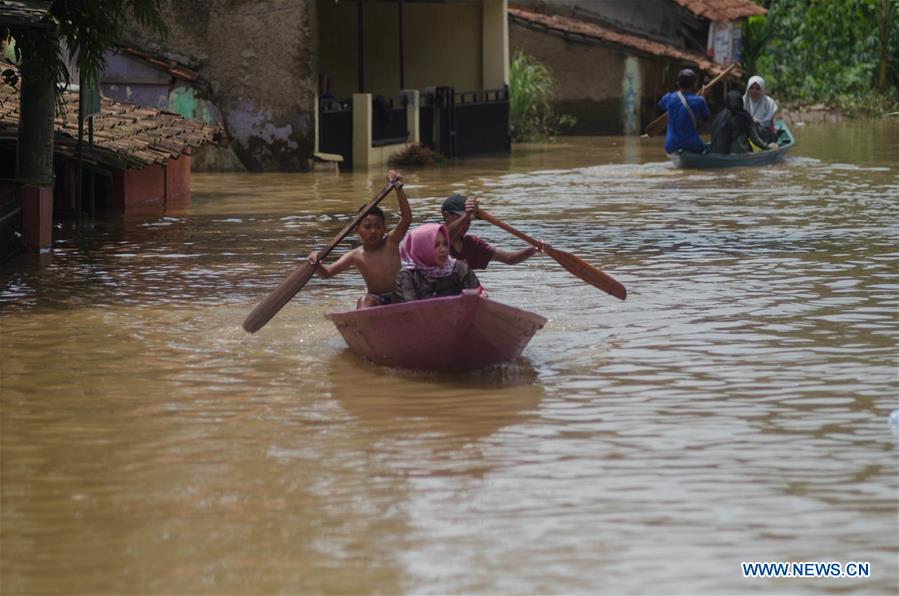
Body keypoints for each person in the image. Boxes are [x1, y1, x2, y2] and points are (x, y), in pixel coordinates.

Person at [308, 170, 411, 308]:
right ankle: (363, 320)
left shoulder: (391, 242)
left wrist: (398, 188)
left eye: (377, 226)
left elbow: (406, 219)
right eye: (367, 227)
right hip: (375, 299)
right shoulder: (355, 255)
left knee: (413, 293)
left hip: (399, 296)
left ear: (384, 229)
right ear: (357, 230)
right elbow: (326, 274)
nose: (373, 231)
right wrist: (315, 262)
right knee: (364, 301)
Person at [440, 194, 544, 269]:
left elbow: (510, 258)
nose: (467, 223)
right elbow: (446, 236)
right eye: (461, 217)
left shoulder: (473, 244)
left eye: (470, 219)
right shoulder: (434, 236)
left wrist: (535, 248)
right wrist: (466, 216)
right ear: (446, 215)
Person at [393, 223, 481, 303]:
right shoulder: (408, 276)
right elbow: (410, 309)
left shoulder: (460, 269)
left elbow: (479, 300)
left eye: (445, 244)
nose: (443, 250)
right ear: (421, 249)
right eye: (436, 245)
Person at [658, 68, 710, 154]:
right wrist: (703, 98)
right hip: (691, 145)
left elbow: (661, 105)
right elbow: (705, 117)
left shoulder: (668, 98)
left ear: (678, 83)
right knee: (707, 150)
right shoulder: (699, 101)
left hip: (670, 145)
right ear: (694, 84)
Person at [710, 90, 778, 154]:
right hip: (740, 153)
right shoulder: (745, 117)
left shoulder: (720, 116)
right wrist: (769, 148)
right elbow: (756, 140)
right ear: (740, 102)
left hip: (719, 152)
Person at [743, 75, 778, 143]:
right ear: (748, 89)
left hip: (764, 134)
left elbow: (771, 123)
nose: (754, 91)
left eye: (757, 89)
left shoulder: (769, 102)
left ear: (762, 90)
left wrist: (757, 123)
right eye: (751, 88)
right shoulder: (742, 101)